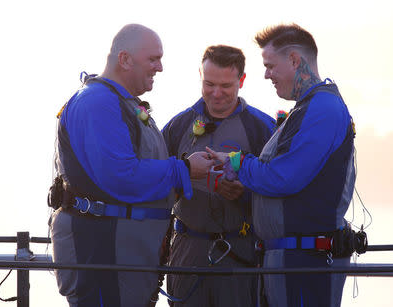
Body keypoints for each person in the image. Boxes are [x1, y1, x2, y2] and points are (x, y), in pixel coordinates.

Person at [48, 24, 214, 307]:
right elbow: (120, 175)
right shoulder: (97, 103)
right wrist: (184, 170)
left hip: (125, 256)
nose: (159, 67)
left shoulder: (120, 103)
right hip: (103, 252)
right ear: (124, 59)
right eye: (153, 59)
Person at [207, 23, 357, 306]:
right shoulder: (306, 108)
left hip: (305, 262)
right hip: (288, 260)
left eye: (270, 65)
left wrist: (237, 162)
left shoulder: (323, 109)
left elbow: (283, 178)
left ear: (294, 60)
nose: (266, 75)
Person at [162, 45, 275, 307]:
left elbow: (279, 192)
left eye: (226, 85)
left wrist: (243, 194)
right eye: (209, 83)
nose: (216, 93)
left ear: (242, 80)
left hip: (240, 251)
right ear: (200, 76)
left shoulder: (263, 129)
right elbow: (156, 188)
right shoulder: (177, 127)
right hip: (187, 250)